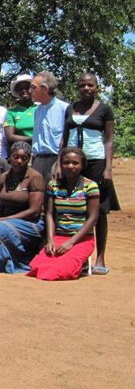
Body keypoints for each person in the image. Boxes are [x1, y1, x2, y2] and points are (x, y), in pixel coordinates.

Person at [61, 72, 119, 274]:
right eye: (82, 85)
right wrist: (60, 163)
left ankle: (100, 257)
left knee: (100, 211)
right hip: (71, 163)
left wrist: (108, 168)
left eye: (90, 85)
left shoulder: (104, 109)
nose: (86, 88)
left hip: (96, 162)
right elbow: (65, 136)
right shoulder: (71, 107)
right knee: (73, 207)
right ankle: (80, 256)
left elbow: (109, 140)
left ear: (96, 87)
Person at [27, 147, 99, 281]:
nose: (70, 166)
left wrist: (71, 242)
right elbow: (49, 213)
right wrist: (50, 240)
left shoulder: (90, 186)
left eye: (75, 163)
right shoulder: (53, 185)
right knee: (37, 268)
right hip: (59, 237)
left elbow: (93, 218)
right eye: (66, 162)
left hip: (81, 239)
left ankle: (83, 264)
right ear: (60, 164)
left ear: (82, 165)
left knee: (59, 272)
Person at [0, 141, 46, 273]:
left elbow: (35, 211)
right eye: (15, 157)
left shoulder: (35, 177)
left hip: (31, 224)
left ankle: (3, 264)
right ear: (10, 158)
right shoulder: (4, 177)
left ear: (29, 159)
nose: (19, 161)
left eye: (24, 158)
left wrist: (2, 220)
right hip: (7, 222)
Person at [30, 71, 69, 182]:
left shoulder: (64, 109)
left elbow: (67, 138)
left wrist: (60, 163)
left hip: (56, 160)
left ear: (45, 89)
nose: (30, 91)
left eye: (33, 87)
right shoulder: (37, 110)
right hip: (38, 161)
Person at [4, 74, 35, 149]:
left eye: (27, 87)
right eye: (20, 88)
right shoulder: (11, 112)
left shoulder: (41, 108)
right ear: (16, 91)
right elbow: (10, 136)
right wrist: (33, 138)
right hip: (21, 151)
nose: (24, 90)